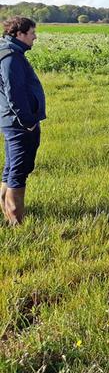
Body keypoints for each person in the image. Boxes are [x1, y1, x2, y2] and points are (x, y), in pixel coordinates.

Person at [0, 17, 45, 226]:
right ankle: (16, 223)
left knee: (11, 169)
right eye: (32, 32)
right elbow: (14, 93)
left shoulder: (9, 52)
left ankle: (7, 216)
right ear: (19, 34)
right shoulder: (11, 57)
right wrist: (28, 121)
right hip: (18, 124)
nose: (35, 37)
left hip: (11, 122)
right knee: (18, 171)